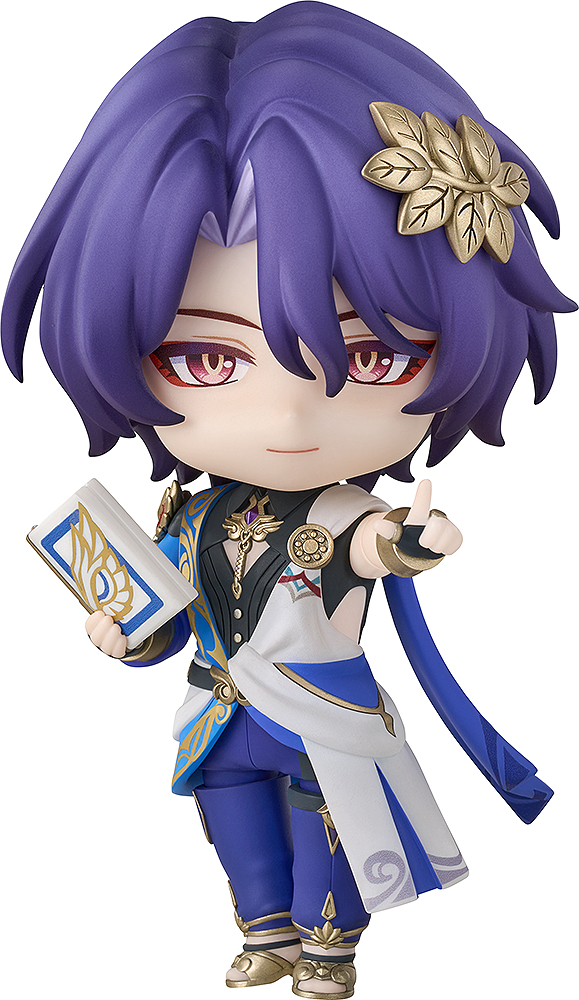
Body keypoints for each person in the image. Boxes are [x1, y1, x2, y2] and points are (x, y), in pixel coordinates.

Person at [2, 4, 574, 996]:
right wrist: (122, 634)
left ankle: (328, 946)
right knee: (237, 829)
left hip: (321, 713)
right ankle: (264, 934)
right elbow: (167, 618)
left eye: (372, 356)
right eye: (205, 358)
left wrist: (419, 540)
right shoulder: (188, 512)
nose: (289, 416)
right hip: (219, 712)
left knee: (332, 831)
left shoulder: (343, 513)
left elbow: (379, 546)